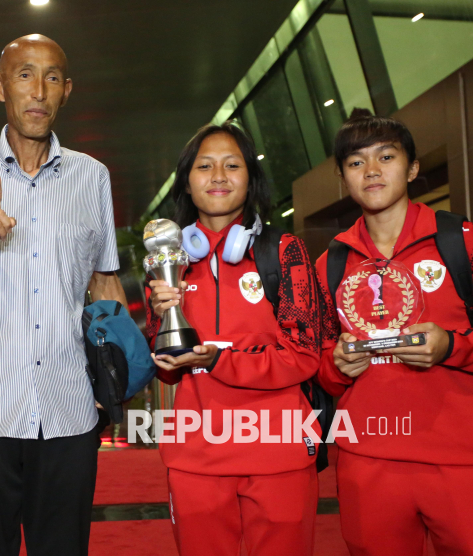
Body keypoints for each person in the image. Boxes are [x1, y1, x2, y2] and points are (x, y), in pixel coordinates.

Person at [0, 34, 126, 555]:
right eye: (24, 74)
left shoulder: (92, 177)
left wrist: (125, 367)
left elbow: (104, 281)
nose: (39, 90)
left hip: (69, 407)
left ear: (67, 90)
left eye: (52, 76)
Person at [316, 109, 473, 556]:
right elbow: (319, 367)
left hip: (464, 459)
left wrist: (452, 346)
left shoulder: (466, 241)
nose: (371, 171)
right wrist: (337, 366)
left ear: (411, 168)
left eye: (385, 157)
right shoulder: (328, 265)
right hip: (367, 464)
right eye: (355, 162)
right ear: (343, 177)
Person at [146, 122, 322, 555]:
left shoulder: (285, 253)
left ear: (251, 177)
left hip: (278, 453)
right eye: (204, 166)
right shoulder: (170, 263)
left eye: (232, 165)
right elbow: (167, 370)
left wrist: (217, 361)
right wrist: (164, 341)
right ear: (187, 182)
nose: (218, 176)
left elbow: (304, 357)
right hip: (196, 457)